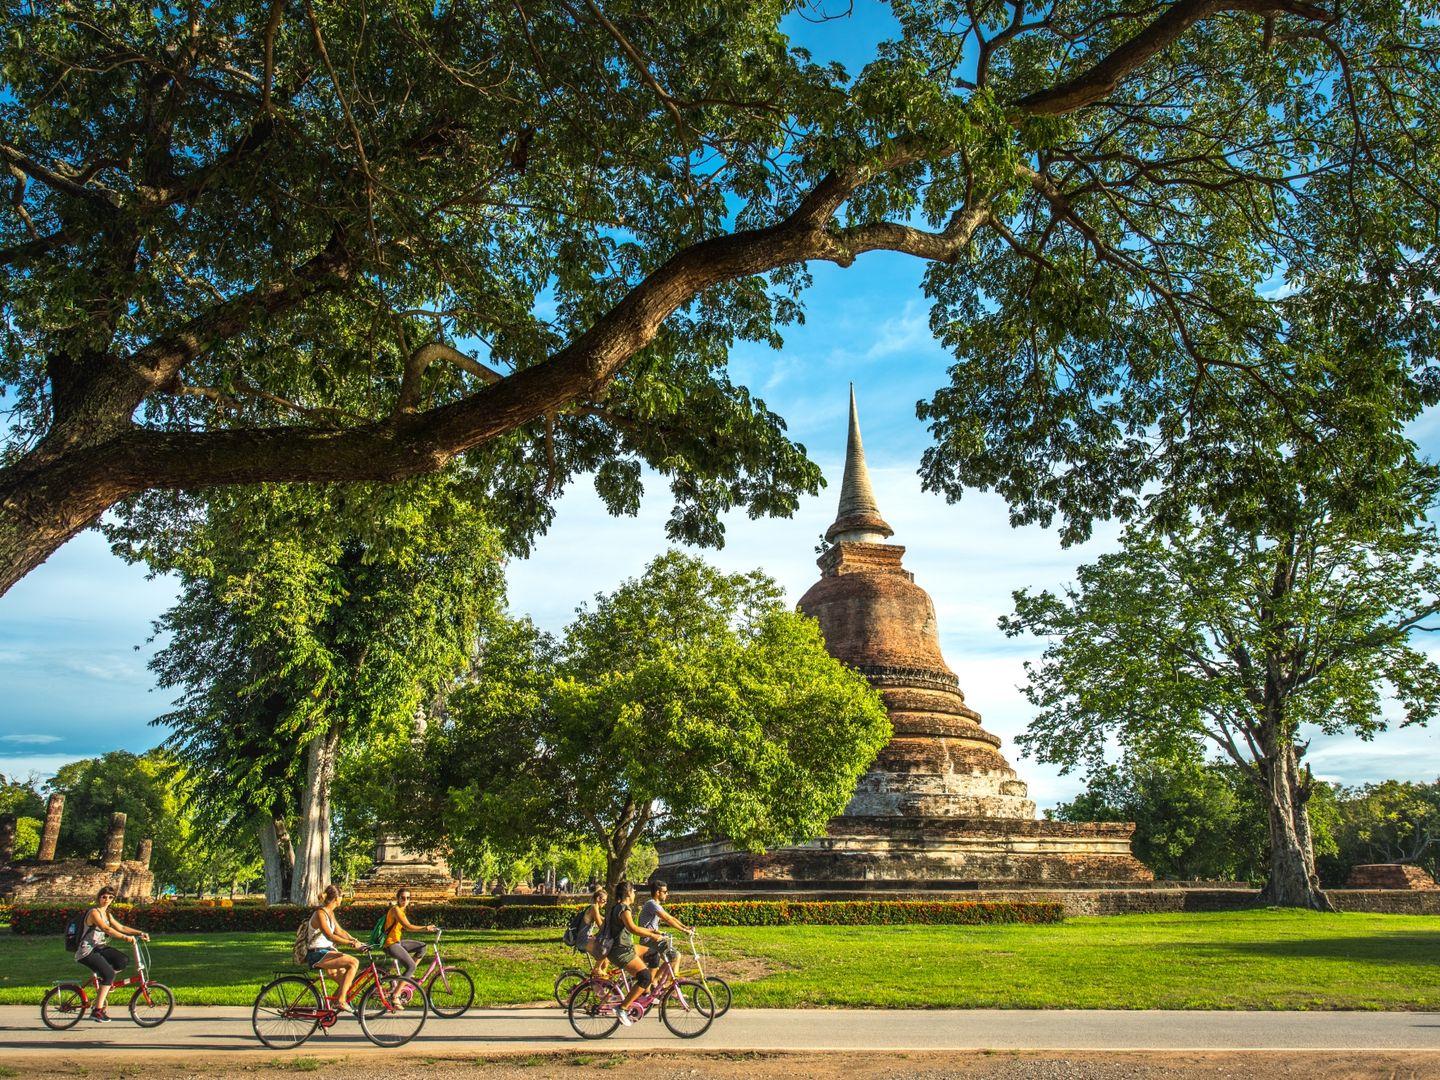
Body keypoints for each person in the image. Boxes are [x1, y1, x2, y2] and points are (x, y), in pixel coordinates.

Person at [74, 885, 148, 1023]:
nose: (106, 899)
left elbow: (121, 927)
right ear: (99, 897)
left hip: (99, 947)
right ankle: (97, 1011)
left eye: (110, 897)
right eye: (104, 896)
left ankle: (105, 983)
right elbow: (106, 928)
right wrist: (126, 938)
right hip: (86, 951)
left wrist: (139, 933)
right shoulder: (94, 913)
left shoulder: (107, 914)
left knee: (122, 960)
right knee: (109, 974)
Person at [603, 881, 663, 1027]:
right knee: (645, 977)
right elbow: (633, 929)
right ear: (628, 893)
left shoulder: (617, 907)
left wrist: (652, 932)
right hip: (621, 951)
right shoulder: (624, 909)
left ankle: (645, 993)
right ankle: (622, 1008)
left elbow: (634, 928)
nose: (635, 894)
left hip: (626, 947)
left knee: (653, 954)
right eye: (634, 891)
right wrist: (654, 936)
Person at [307, 884, 364, 1014]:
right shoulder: (320, 913)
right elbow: (330, 936)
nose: (342, 899)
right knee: (353, 962)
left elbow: (339, 931)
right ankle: (341, 1001)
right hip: (317, 954)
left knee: (347, 983)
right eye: (341, 896)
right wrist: (350, 943)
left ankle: (328, 1013)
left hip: (327, 952)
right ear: (336, 898)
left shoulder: (330, 913)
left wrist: (356, 941)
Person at [383, 887, 438, 979]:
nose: (405, 900)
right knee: (411, 967)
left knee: (422, 947)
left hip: (397, 942)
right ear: (398, 898)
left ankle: (407, 977)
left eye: (408, 898)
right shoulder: (396, 910)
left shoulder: (401, 910)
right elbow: (407, 926)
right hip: (390, 944)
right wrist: (425, 928)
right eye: (402, 898)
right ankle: (396, 993)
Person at [638, 880, 691, 970]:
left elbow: (671, 918)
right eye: (665, 892)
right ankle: (669, 982)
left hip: (654, 939)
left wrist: (685, 927)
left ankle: (657, 982)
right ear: (658, 892)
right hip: (650, 940)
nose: (667, 894)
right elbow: (667, 919)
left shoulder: (655, 905)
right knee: (675, 956)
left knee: (657, 967)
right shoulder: (652, 904)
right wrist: (684, 930)